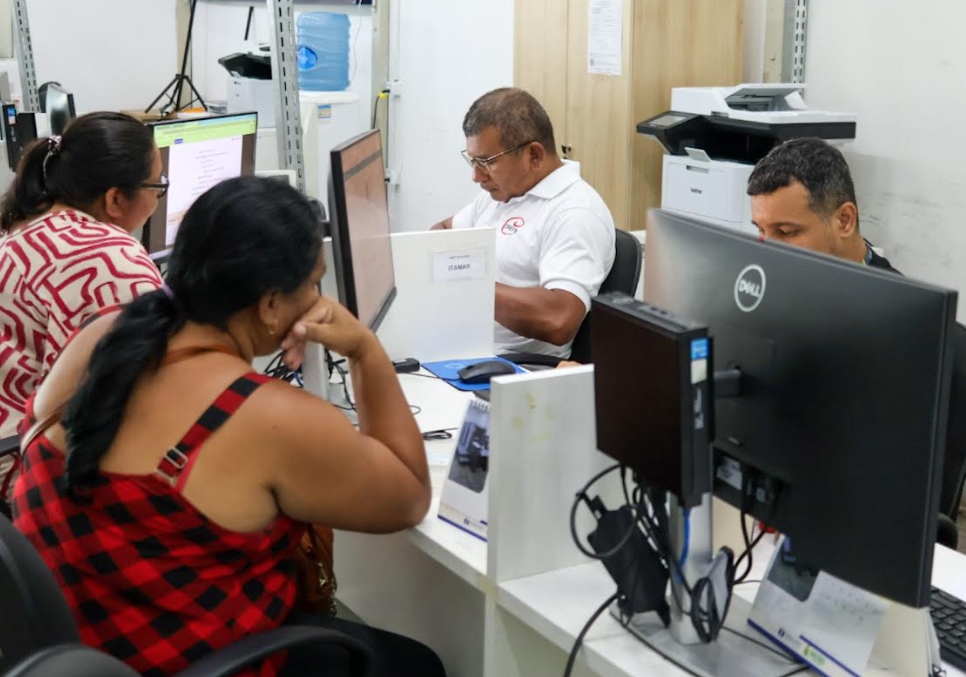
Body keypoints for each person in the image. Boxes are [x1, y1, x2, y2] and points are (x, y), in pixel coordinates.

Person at [12, 176, 444, 677]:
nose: (317, 297)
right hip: (180, 658)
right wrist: (365, 350)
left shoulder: (103, 338)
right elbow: (410, 495)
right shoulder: (264, 416)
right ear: (269, 305)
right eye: (312, 282)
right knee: (418, 665)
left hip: (83, 646)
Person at [0, 112, 164, 459]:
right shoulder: (114, 260)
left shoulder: (24, 221)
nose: (159, 196)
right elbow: (141, 402)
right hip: (33, 464)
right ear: (115, 200)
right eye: (157, 185)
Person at [431, 88, 616, 359]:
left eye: (486, 162)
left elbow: (560, 318)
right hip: (463, 344)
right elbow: (443, 231)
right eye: (473, 160)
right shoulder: (503, 193)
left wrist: (465, 280)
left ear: (534, 156)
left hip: (508, 365)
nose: (476, 176)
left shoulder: (575, 213)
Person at [746, 137, 898, 272]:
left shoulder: (896, 301)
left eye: (786, 232)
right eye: (761, 230)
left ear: (844, 221)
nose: (767, 252)